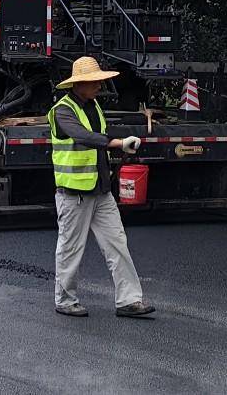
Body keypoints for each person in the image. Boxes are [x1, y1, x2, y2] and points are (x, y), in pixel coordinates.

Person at [49, 56, 154, 319]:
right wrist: (118, 143)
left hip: (100, 190)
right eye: (95, 82)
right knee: (71, 248)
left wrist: (118, 146)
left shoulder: (93, 107)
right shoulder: (63, 110)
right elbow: (82, 137)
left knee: (117, 243)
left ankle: (129, 301)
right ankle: (65, 299)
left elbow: (98, 137)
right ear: (80, 84)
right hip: (74, 194)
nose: (100, 86)